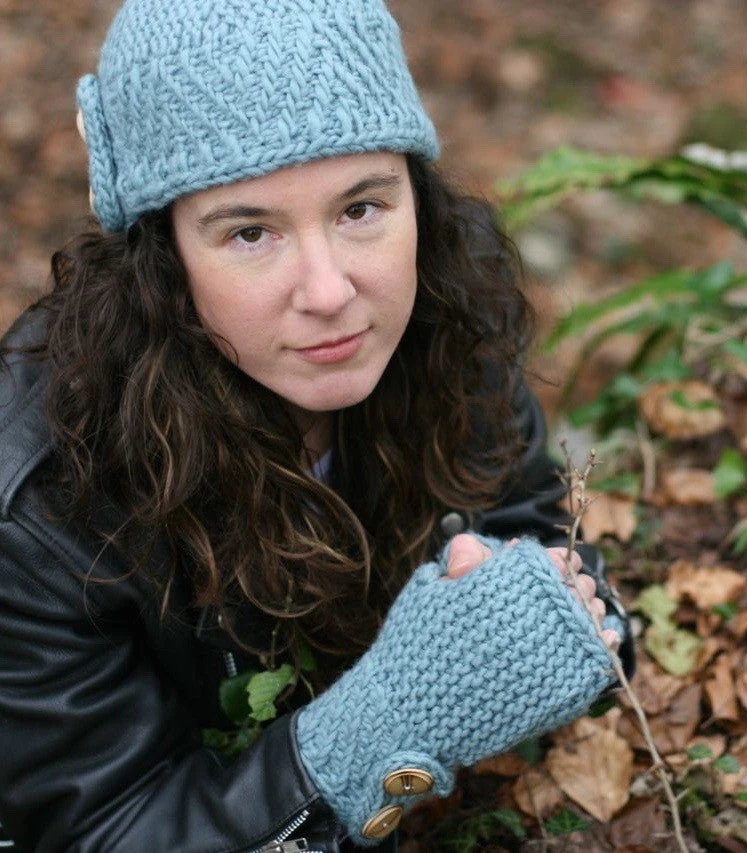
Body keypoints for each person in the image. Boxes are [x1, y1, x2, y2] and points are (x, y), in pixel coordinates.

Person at [0, 0, 634, 850]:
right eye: (250, 232)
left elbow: (534, 528)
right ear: (162, 256)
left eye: (360, 209)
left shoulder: (443, 315)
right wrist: (379, 727)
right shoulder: (41, 508)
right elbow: (104, 826)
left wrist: (557, 618)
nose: (331, 291)